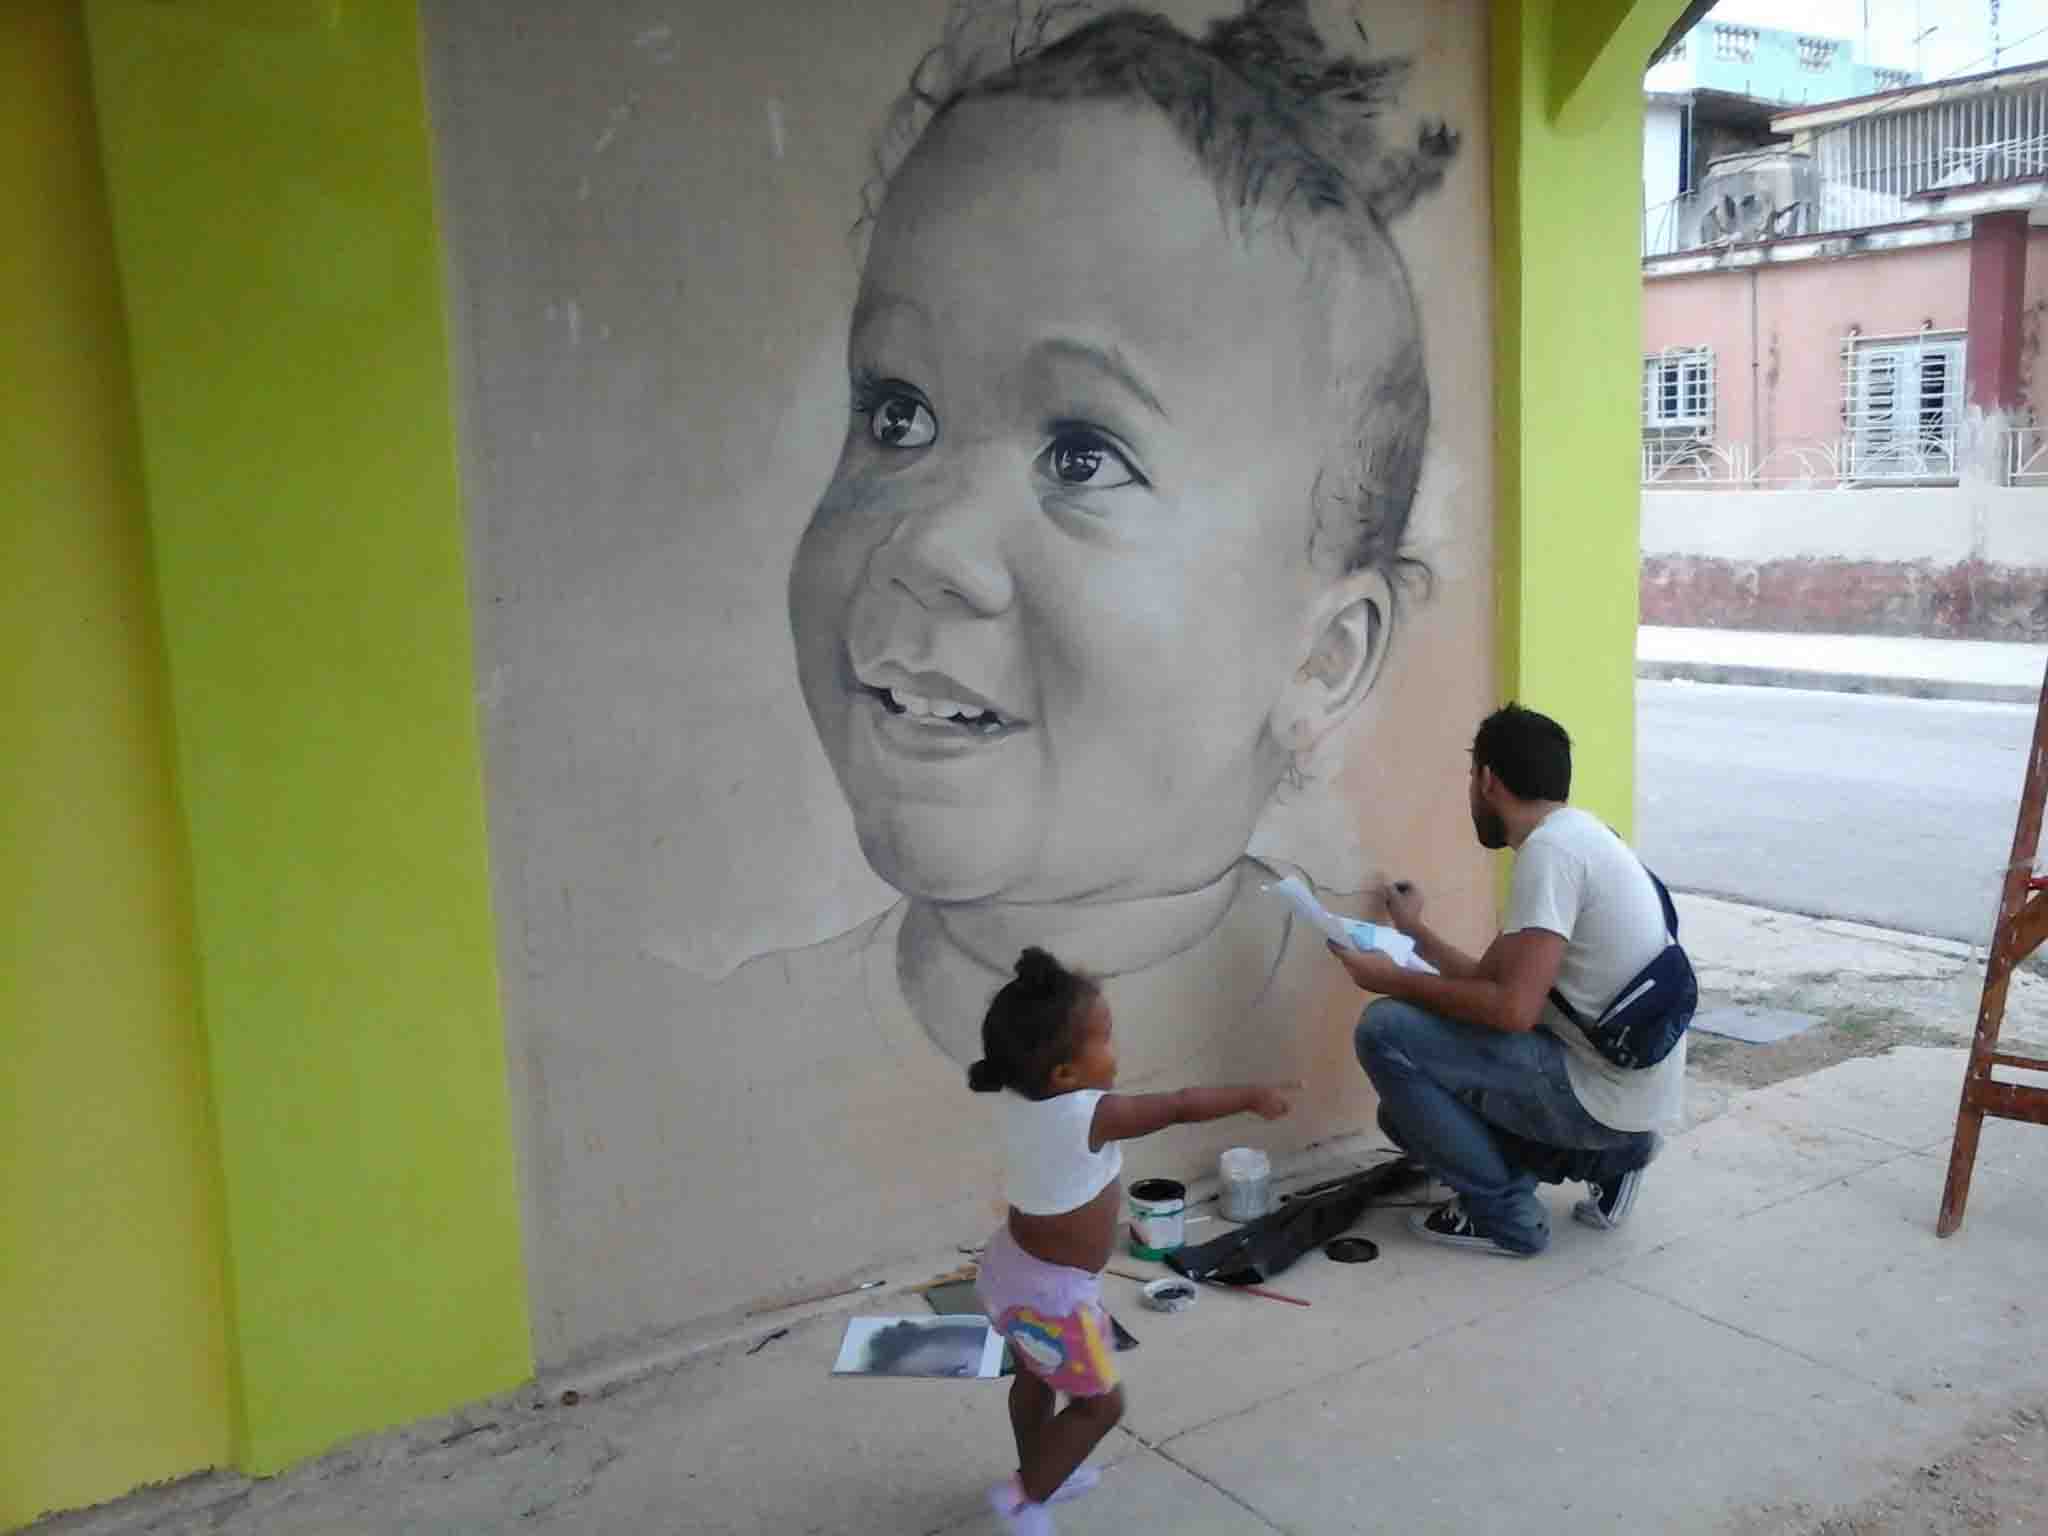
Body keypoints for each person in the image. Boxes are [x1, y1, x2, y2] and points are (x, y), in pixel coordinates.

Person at [782, 0, 1462, 1077]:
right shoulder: (739, 1048)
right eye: (897, 414)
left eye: (1082, 456)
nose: (927, 545)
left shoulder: (1358, 1014)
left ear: (1320, 663)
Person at [1330, 704, 1681, 1258]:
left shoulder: (1550, 856)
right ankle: (1611, 1160)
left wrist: (1392, 982)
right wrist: (1413, 931)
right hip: (1627, 1087)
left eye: (1471, 778)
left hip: (1604, 1093)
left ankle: (1507, 1215)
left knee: (1384, 1030)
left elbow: (1512, 1010)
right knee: (1404, 1117)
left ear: (1487, 780)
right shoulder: (1583, 836)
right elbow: (1486, 978)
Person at [968, 947, 1295, 1534]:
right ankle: (1025, 1498)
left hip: (1008, 1272)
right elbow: (1177, 1106)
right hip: (1056, 1296)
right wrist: (1250, 1095)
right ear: (1064, 1074)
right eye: (1107, 1038)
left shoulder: (1017, 1097)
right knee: (1101, 1405)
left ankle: (1042, 1470)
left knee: (1035, 1377)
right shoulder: (1088, 1113)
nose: (1117, 1051)